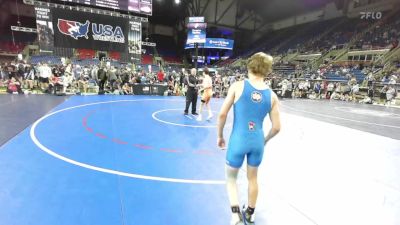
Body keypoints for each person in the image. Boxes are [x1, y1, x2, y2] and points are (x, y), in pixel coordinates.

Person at [217, 52, 281, 225]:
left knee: (231, 179)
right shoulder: (272, 95)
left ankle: (235, 215)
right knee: (253, 179)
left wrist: (220, 136)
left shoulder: (238, 86)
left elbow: (222, 114)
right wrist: (265, 140)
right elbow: (276, 127)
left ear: (249, 66)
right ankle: (250, 214)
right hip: (257, 142)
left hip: (239, 140)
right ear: (267, 70)